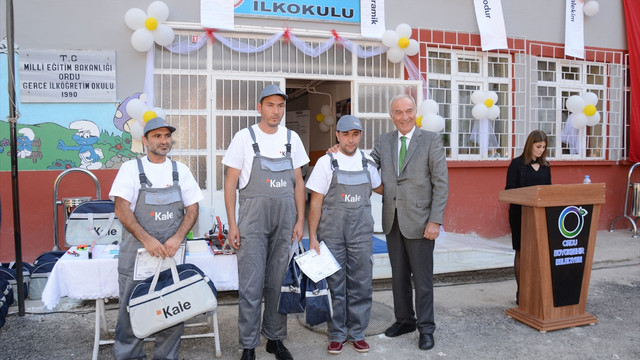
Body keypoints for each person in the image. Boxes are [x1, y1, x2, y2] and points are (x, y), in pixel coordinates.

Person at [223, 84, 309, 360]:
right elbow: (230, 183)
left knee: (277, 282)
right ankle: (249, 344)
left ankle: (275, 338)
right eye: (270, 105)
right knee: (250, 285)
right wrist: (232, 225)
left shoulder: (292, 138)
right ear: (259, 107)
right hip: (252, 222)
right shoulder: (244, 138)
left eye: (280, 106)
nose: (276, 111)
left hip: (285, 222)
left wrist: (300, 222)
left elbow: (298, 182)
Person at [109, 117, 204, 360]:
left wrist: (177, 238)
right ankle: (129, 356)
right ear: (145, 140)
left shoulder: (180, 171)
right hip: (138, 255)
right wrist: (147, 240)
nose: (164, 141)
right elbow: (121, 208)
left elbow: (193, 209)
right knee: (131, 310)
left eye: (167, 136)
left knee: (172, 310)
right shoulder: (130, 169)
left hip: (171, 254)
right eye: (157, 136)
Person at [371, 94, 448, 351]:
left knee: (422, 280)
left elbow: (441, 183)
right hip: (392, 220)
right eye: (398, 112)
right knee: (399, 277)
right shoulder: (384, 140)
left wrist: (435, 220)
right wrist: (339, 153)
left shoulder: (430, 140)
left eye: (408, 111)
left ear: (415, 112)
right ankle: (405, 320)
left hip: (421, 221)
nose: (404, 116)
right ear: (391, 115)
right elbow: (368, 166)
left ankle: (426, 328)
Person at [306, 115, 382, 355]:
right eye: (346, 134)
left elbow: (382, 188)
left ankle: (357, 333)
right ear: (337, 136)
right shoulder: (326, 163)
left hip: (360, 234)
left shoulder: (368, 164)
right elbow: (315, 202)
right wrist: (313, 237)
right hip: (332, 233)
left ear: (360, 136)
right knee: (335, 285)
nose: (351, 139)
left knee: (361, 285)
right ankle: (337, 334)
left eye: (355, 134)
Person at [505, 129, 551, 304]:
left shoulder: (546, 166)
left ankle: (536, 291)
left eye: (544, 147)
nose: (540, 150)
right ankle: (521, 292)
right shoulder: (516, 164)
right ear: (530, 145)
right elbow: (509, 190)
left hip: (540, 216)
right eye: (538, 146)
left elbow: (549, 190)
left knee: (539, 252)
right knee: (521, 251)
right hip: (520, 214)